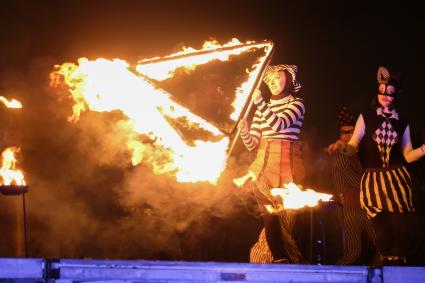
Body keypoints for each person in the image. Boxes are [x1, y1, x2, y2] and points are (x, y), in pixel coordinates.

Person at [329, 66, 425, 265]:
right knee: (381, 232)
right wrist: (343, 148)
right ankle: (387, 265)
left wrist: (423, 149)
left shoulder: (403, 122)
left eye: (390, 94)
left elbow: (407, 156)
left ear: (395, 96)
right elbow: (354, 144)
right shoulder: (366, 117)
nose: (385, 96)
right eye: (382, 92)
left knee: (400, 232)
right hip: (373, 182)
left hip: (397, 182)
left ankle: (395, 268)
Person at [237, 64, 307, 264]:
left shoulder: (297, 103)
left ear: (288, 79)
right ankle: (279, 257)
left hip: (289, 171)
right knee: (269, 213)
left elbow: (279, 124)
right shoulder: (263, 108)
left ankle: (275, 258)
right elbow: (252, 144)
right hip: (263, 169)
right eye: (269, 80)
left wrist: (260, 103)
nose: (273, 83)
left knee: (287, 223)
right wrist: (245, 131)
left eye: (278, 78)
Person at [327, 106, 378, 265]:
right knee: (356, 251)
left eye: (351, 132)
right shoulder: (342, 159)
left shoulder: (356, 156)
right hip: (352, 209)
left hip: (362, 207)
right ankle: (331, 277)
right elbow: (360, 184)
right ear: (340, 136)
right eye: (344, 133)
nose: (348, 136)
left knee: (379, 247)